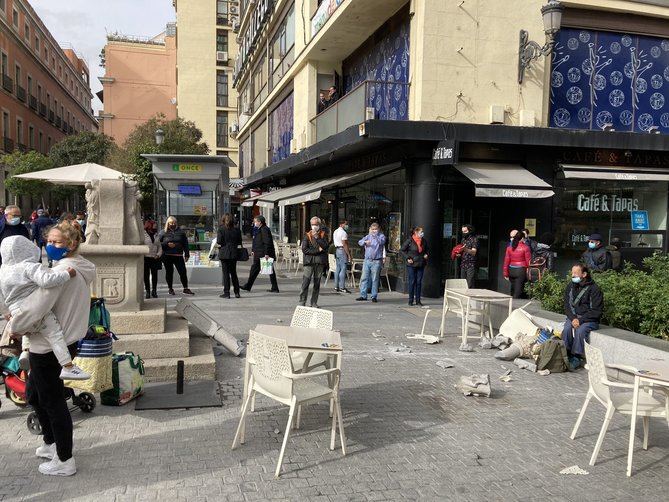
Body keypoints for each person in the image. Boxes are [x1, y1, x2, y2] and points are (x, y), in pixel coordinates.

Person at [8, 220, 96, 476]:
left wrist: (15, 324)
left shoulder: (63, 271)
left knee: (52, 400)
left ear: (72, 244)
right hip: (58, 342)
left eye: (57, 242)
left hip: (48, 346)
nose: (50, 246)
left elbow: (36, 307)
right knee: (35, 393)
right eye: (49, 241)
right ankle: (50, 442)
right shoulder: (73, 266)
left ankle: (64, 459)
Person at [562, 263, 603, 364]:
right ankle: (565, 353)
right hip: (574, 317)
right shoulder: (570, 286)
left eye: (576, 273)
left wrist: (580, 320)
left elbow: (596, 311)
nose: (573, 275)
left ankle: (576, 356)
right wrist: (573, 318)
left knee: (580, 331)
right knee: (567, 329)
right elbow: (567, 305)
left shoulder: (594, 289)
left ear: (584, 274)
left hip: (589, 319)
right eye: (572, 273)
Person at [241, 215, 279, 293]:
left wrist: (266, 253)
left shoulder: (264, 229)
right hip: (258, 253)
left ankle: (248, 286)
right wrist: (253, 250)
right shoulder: (258, 229)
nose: (254, 223)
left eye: (255, 221)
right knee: (265, 270)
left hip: (262, 254)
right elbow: (256, 241)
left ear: (260, 222)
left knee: (262, 270)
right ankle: (274, 287)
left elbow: (267, 242)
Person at [158, 216, 194, 296]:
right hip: (167, 256)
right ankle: (170, 289)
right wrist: (166, 244)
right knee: (169, 272)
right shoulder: (163, 232)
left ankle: (185, 288)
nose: (173, 224)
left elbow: (185, 244)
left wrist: (187, 254)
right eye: (171, 223)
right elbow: (158, 244)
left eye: (174, 223)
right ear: (168, 223)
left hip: (178, 255)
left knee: (183, 272)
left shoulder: (181, 232)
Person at [299, 217, 329, 307]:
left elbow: (325, 246)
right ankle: (302, 301)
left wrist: (317, 238)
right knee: (305, 282)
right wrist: (318, 250)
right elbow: (305, 249)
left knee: (317, 283)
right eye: (312, 224)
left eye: (316, 224)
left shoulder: (323, 235)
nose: (314, 226)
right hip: (309, 262)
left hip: (319, 262)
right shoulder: (307, 235)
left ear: (319, 225)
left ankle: (314, 302)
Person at [356, 222, 386, 303]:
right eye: (373, 229)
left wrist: (375, 236)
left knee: (375, 279)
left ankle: (374, 296)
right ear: (370, 229)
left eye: (375, 229)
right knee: (364, 278)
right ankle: (363, 295)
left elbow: (381, 242)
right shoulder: (367, 236)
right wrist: (365, 242)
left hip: (376, 261)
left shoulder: (381, 236)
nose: (374, 231)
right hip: (367, 260)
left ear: (378, 229)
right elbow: (360, 242)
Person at [400, 226, 429, 306]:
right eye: (421, 232)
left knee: (419, 282)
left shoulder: (424, 241)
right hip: (411, 263)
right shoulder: (409, 240)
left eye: (422, 232)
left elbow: (427, 250)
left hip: (421, 263)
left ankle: (418, 300)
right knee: (412, 281)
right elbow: (402, 250)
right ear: (416, 233)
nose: (422, 233)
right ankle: (410, 300)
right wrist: (408, 258)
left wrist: (426, 254)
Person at [216, 213, 242, 299]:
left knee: (226, 274)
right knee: (234, 273)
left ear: (223, 220)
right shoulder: (237, 230)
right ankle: (237, 292)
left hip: (224, 254)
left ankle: (226, 293)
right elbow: (239, 242)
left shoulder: (221, 229)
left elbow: (219, 241)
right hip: (234, 253)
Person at [503, 229, 531, 299]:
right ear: (522, 238)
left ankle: (511, 305)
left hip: (511, 270)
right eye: (524, 238)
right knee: (518, 292)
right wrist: (529, 271)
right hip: (521, 271)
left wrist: (505, 273)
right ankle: (515, 306)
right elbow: (528, 262)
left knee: (513, 289)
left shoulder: (509, 248)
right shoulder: (526, 248)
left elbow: (506, 261)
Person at [143, 220, 162, 299]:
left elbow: (159, 246)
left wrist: (158, 254)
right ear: (149, 225)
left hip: (155, 258)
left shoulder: (156, 234)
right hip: (145, 258)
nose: (156, 226)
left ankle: (154, 291)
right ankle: (147, 291)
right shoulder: (143, 234)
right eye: (154, 224)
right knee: (146, 275)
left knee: (154, 275)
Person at [332, 219, 352, 293]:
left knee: (337, 268)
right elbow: (344, 244)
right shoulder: (343, 233)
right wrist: (348, 254)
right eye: (345, 224)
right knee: (343, 268)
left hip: (337, 250)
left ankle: (336, 286)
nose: (346, 225)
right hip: (342, 250)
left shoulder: (335, 231)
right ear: (341, 224)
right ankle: (342, 287)